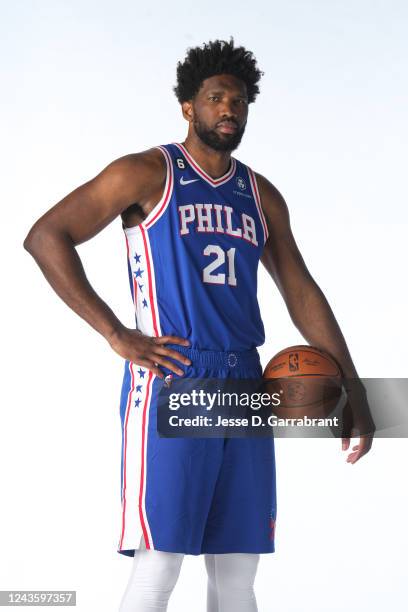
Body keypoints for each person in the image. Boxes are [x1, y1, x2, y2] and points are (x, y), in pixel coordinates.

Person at [24, 37, 373, 612]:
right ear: (190, 106)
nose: (228, 109)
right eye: (216, 98)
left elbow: (301, 290)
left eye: (238, 101)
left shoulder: (260, 195)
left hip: (245, 382)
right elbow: (46, 236)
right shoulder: (145, 173)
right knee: (159, 569)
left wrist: (353, 386)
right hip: (175, 377)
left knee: (237, 577)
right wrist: (116, 332)